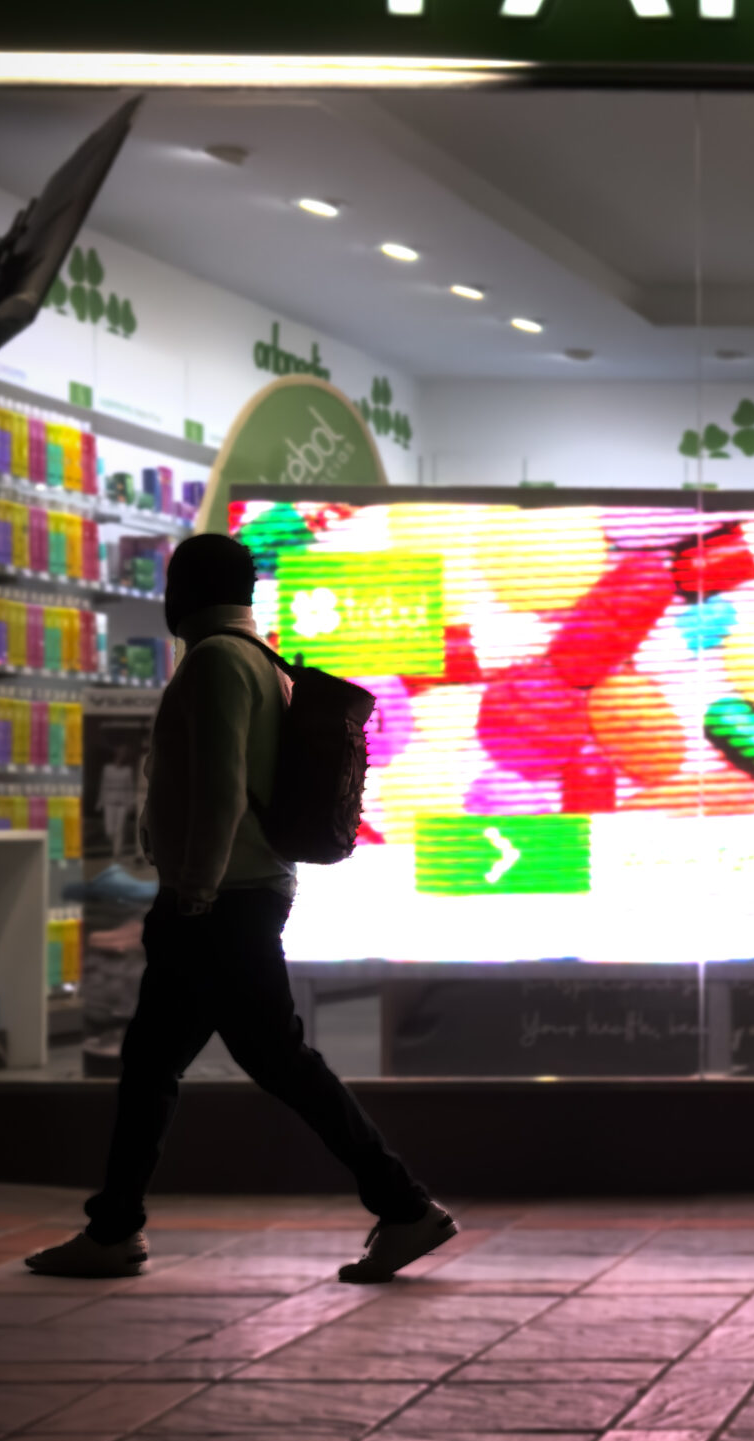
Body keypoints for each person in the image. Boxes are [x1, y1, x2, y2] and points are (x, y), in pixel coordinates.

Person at [27, 531, 455, 1284]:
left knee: (245, 1062)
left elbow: (223, 785)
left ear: (186, 590)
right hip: (239, 895)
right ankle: (115, 1225)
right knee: (173, 1061)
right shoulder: (260, 660)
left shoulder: (218, 661)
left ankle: (404, 1205)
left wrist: (194, 890)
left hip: (221, 901)